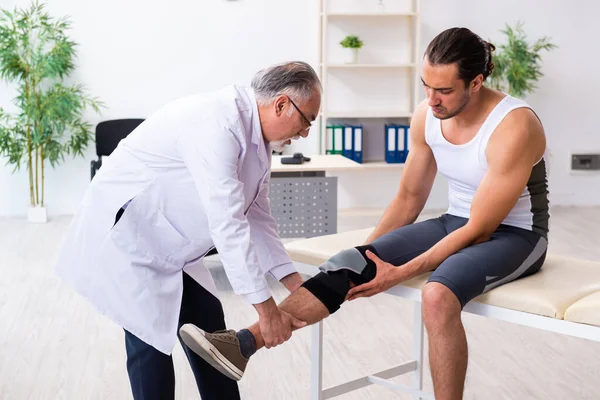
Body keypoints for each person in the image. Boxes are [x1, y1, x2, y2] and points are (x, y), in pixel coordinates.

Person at [179, 27, 550, 400]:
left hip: (515, 234)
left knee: (436, 295)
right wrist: (362, 260)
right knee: (349, 261)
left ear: (476, 83)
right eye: (426, 86)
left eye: (445, 91)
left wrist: (399, 273)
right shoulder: (427, 115)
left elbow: (482, 228)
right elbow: (408, 198)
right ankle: (242, 345)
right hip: (456, 220)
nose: (432, 100)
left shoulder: (514, 124)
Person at [54, 61, 322, 400]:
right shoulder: (216, 122)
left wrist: (293, 281)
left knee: (216, 342)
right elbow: (228, 223)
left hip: (174, 247)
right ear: (282, 104)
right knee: (150, 349)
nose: (305, 133)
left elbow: (256, 215)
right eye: (307, 120)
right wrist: (266, 311)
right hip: (133, 243)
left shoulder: (257, 137)